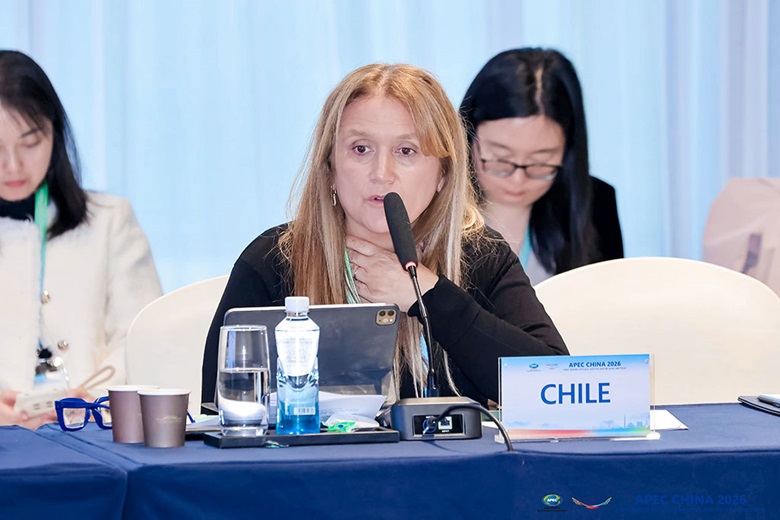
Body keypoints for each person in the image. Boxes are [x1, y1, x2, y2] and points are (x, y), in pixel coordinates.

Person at [202, 63, 567, 407]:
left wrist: (430, 296)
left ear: (443, 174)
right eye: (361, 149)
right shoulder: (273, 260)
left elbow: (556, 389)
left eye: (406, 151)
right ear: (329, 168)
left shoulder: (480, 255)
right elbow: (222, 411)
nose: (381, 173)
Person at [0, 50, 162, 428]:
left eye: (30, 143)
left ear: (55, 134)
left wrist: (98, 398)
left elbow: (142, 336)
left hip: (91, 431)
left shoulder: (109, 220)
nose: (13, 165)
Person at [460, 48, 624, 285]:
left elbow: (610, 300)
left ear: (567, 150)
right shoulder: (432, 201)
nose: (518, 179)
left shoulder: (596, 204)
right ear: (467, 135)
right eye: (501, 158)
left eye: (540, 162)